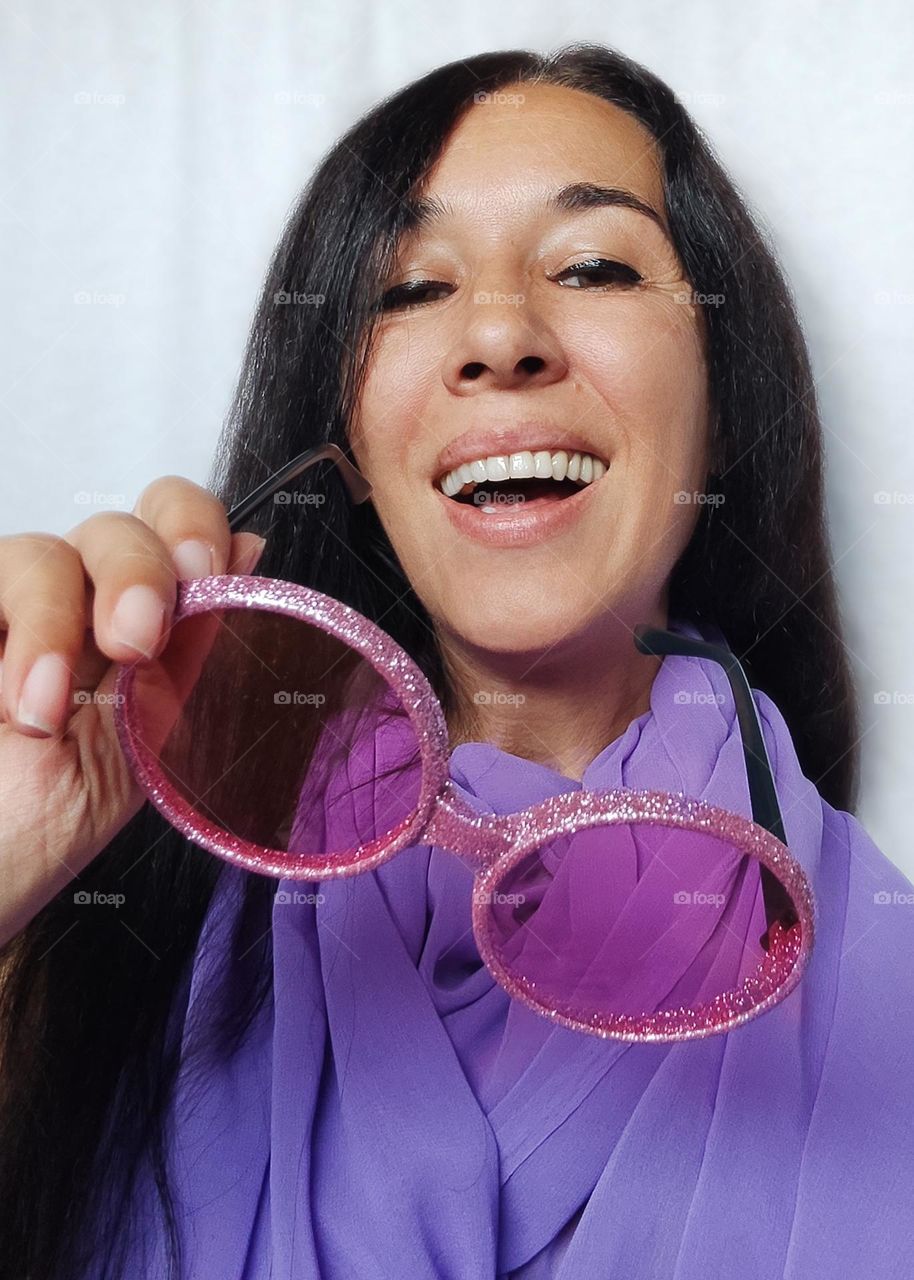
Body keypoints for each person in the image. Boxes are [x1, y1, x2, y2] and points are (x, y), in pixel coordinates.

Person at [1, 41, 912, 1280]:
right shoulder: (95, 948)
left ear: (718, 385)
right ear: (345, 436)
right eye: (409, 289)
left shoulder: (889, 990)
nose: (495, 331)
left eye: (592, 265)